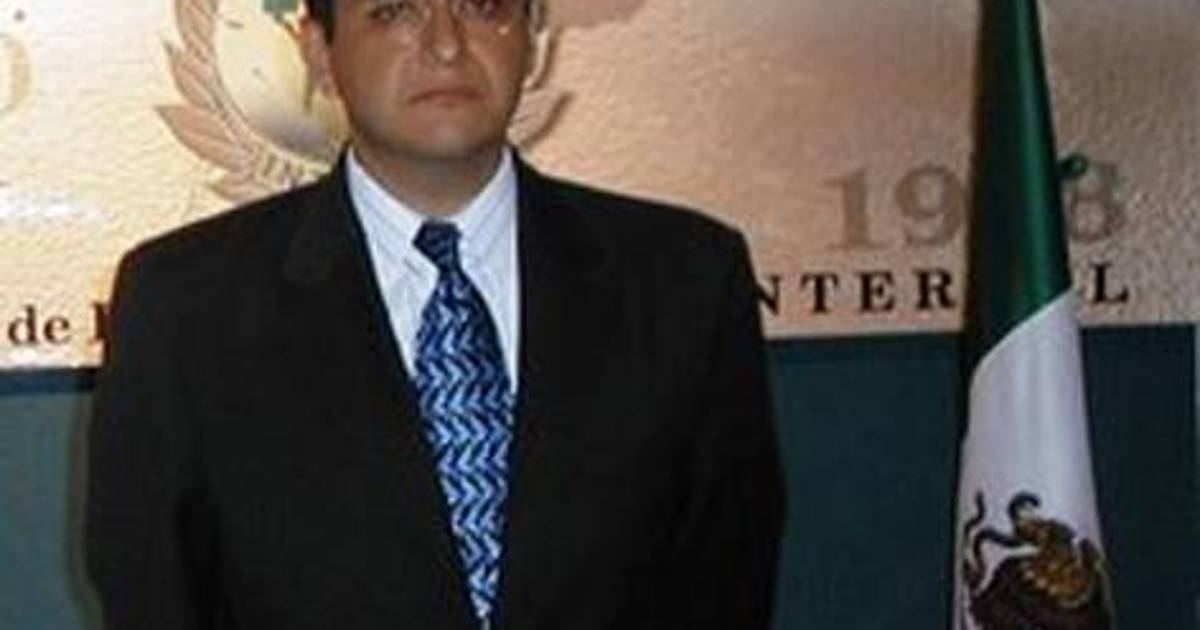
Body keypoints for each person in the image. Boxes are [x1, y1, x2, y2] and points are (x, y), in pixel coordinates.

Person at [85, 0, 784, 628]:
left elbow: (726, 585)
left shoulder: (686, 283)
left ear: (531, 37)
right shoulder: (184, 308)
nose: (447, 44)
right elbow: (154, 595)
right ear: (319, 51)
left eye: (483, 7)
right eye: (395, 11)